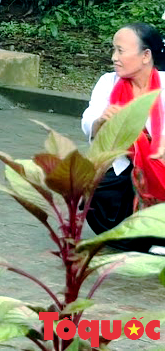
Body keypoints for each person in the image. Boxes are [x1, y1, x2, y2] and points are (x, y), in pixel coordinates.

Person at [81, 23, 165, 254]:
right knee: (98, 196)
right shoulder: (108, 83)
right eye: (113, 50)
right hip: (123, 166)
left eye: (121, 51)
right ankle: (146, 237)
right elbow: (89, 120)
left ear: (146, 55)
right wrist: (100, 122)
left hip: (159, 167)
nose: (114, 58)